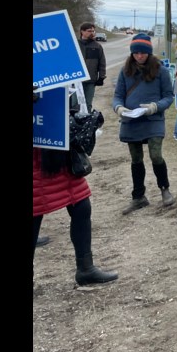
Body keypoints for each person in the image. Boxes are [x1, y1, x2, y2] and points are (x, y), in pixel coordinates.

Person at [33, 89, 118, 291]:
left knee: (81, 206)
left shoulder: (49, 62)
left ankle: (86, 269)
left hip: (58, 150)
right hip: (36, 158)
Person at [114, 33, 177, 213]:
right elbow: (118, 95)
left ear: (149, 53)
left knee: (156, 155)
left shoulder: (161, 71)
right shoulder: (125, 71)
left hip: (153, 119)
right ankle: (138, 196)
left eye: (143, 53)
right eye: (136, 53)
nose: (139, 56)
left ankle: (164, 189)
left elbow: (168, 97)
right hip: (131, 121)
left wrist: (154, 107)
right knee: (136, 159)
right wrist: (118, 107)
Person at [77, 22, 106, 112]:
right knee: (75, 104)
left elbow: (102, 63)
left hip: (90, 81)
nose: (92, 33)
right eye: (89, 31)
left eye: (93, 31)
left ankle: (86, 123)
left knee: (88, 104)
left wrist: (101, 77)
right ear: (82, 31)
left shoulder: (97, 46)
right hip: (77, 81)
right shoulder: (75, 45)